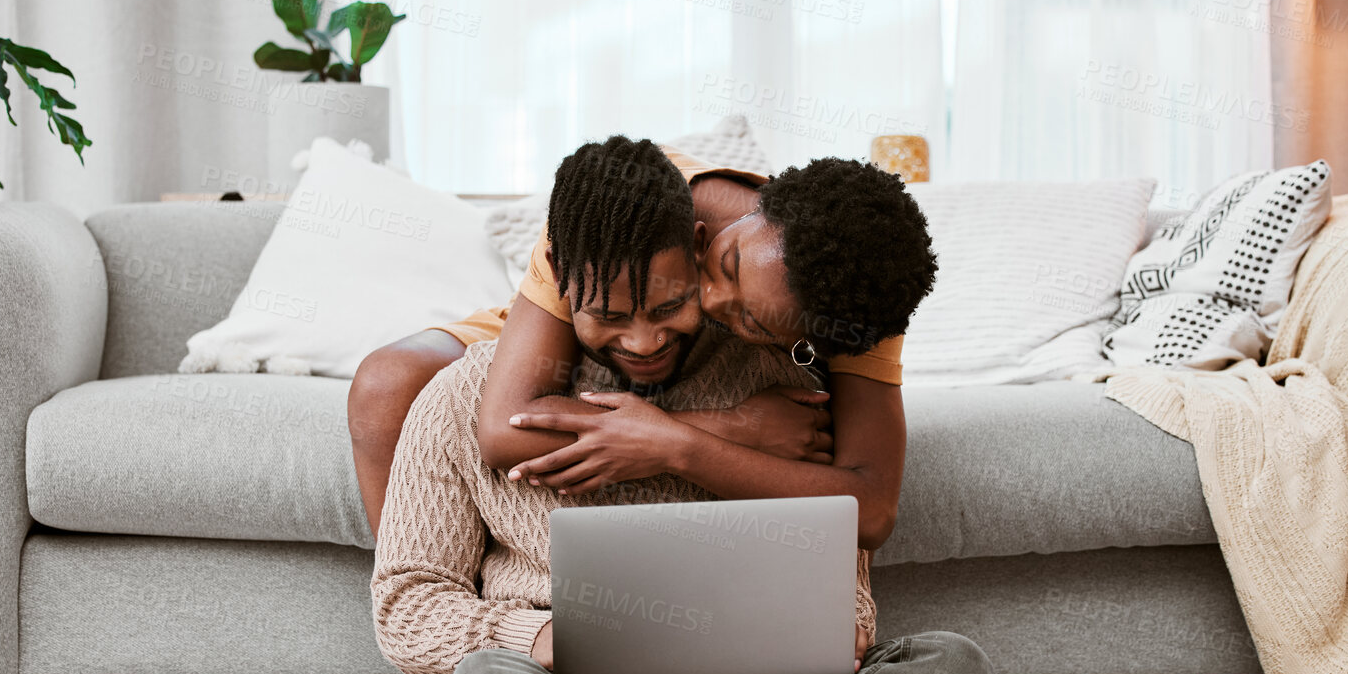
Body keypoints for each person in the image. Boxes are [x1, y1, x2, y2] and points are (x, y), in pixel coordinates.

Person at [370, 137, 999, 674]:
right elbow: (406, 608)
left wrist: (791, 628)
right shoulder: (467, 399)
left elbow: (849, 606)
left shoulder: (793, 406)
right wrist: (547, 638)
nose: (647, 335)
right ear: (562, 284)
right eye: (610, 314)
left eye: (675, 304)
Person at [347, 141, 939, 554]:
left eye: (751, 320)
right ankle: (440, 621)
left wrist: (679, 449)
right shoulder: (625, 207)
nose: (706, 298)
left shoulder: (853, 299)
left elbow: (872, 508)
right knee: (385, 382)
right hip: (590, 322)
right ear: (764, 205)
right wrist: (722, 430)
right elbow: (505, 428)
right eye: (727, 263)